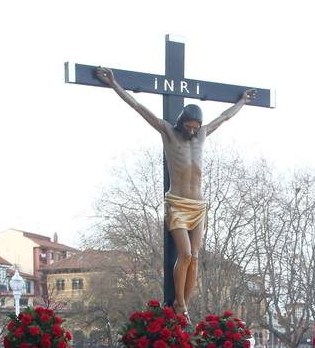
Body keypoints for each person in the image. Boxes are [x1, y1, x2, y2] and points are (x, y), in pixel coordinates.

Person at [95, 65, 257, 315]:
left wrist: (243, 102)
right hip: (178, 203)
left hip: (199, 206)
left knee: (194, 258)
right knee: (185, 253)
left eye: (196, 127)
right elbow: (139, 108)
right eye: (189, 126)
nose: (192, 130)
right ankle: (178, 302)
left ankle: (185, 306)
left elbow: (224, 117)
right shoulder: (169, 133)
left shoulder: (202, 135)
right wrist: (115, 84)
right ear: (181, 122)